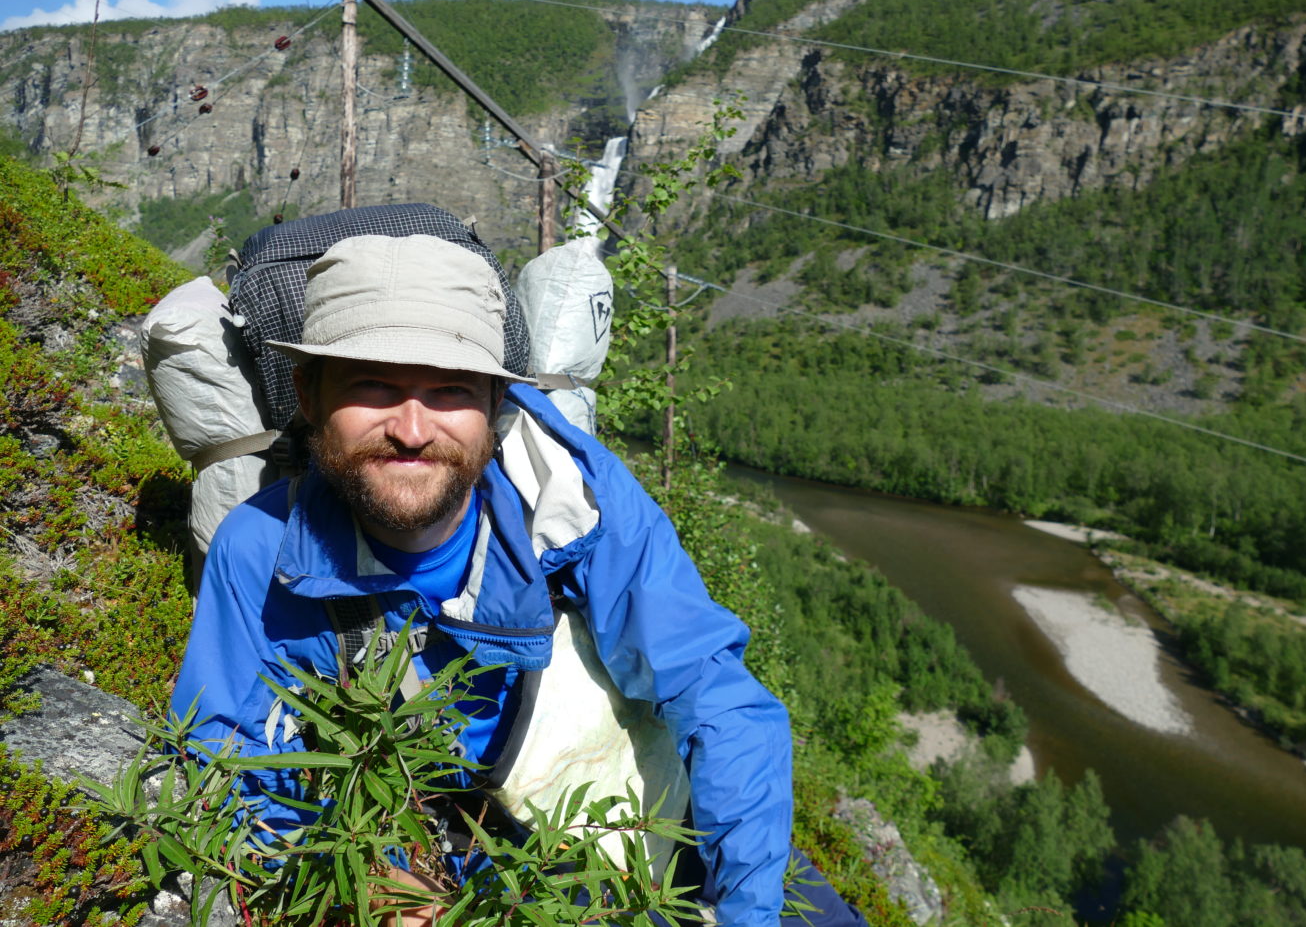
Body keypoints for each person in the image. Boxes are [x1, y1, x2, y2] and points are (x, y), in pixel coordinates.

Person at [170, 234, 866, 927]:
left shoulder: (576, 504)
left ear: (495, 400)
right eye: (372, 384)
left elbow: (717, 697)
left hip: (686, 837)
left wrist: (749, 909)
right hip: (491, 890)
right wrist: (367, 882)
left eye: (449, 389)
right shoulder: (261, 552)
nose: (412, 428)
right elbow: (230, 768)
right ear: (309, 394)